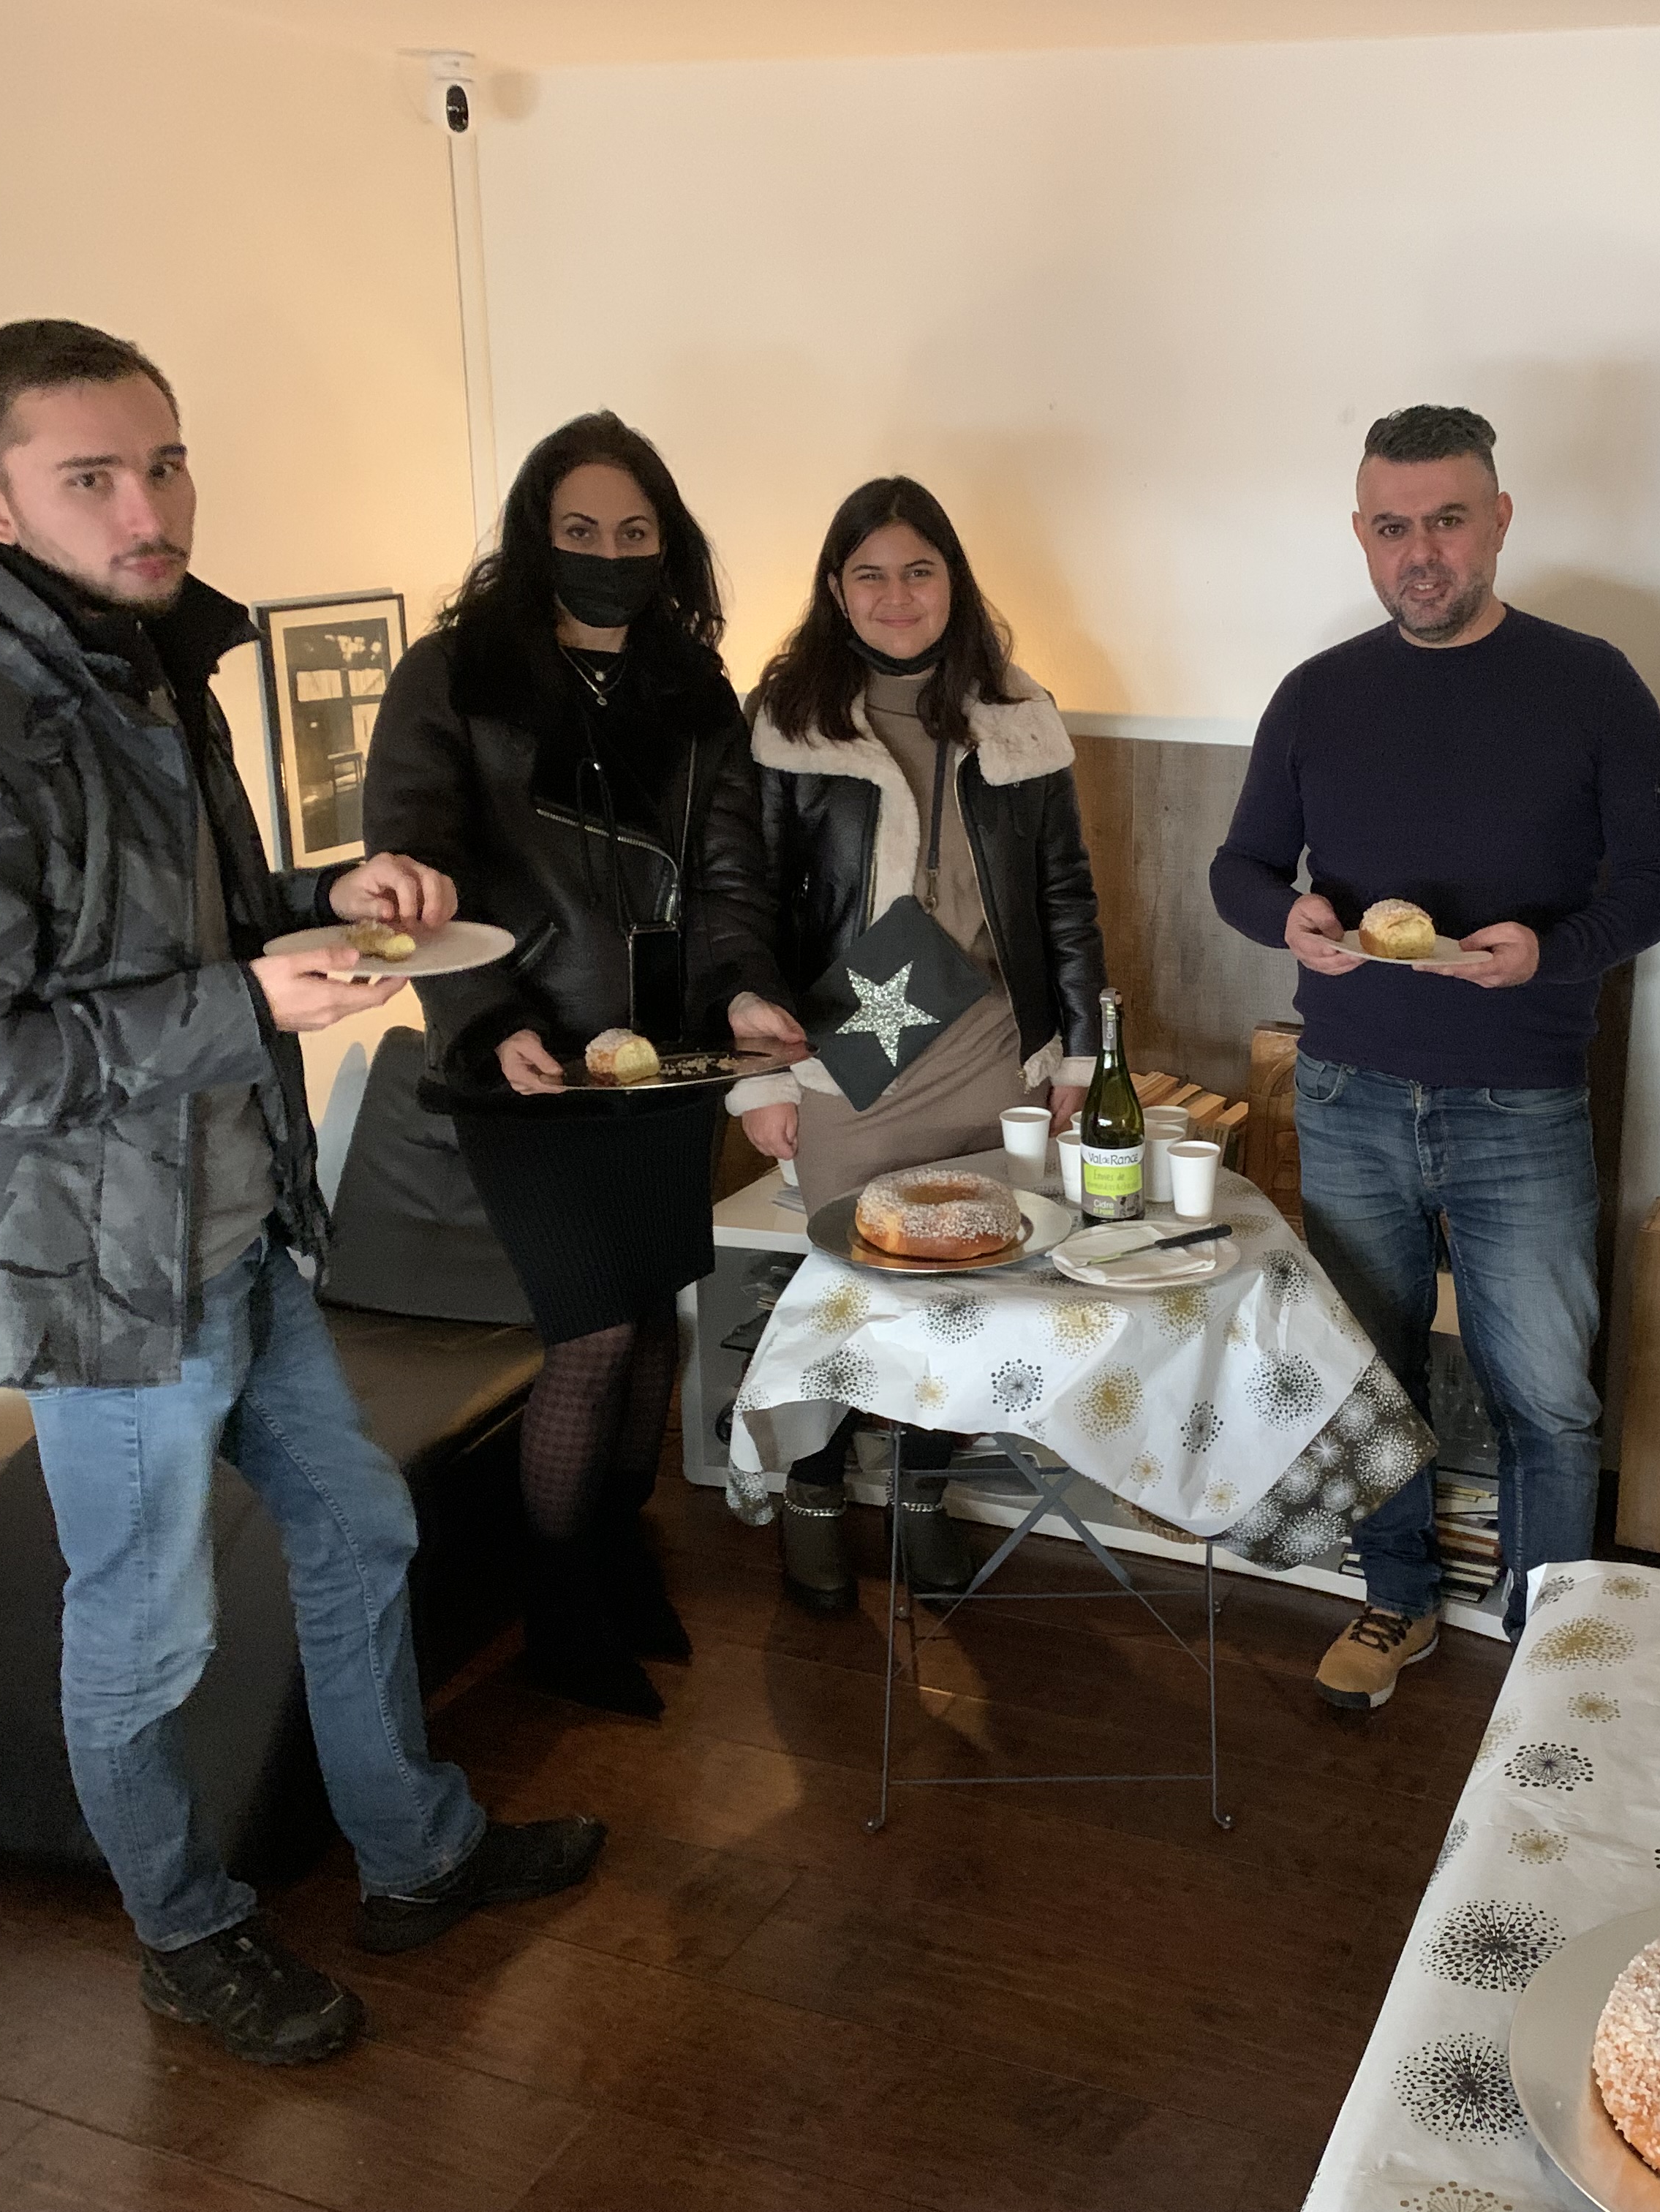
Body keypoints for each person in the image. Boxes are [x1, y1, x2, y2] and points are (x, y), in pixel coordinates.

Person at [0, 320, 602, 2067]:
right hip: (100, 1283)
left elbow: (213, 920)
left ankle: (417, 1853)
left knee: (364, 1527)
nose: (146, 504)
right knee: (147, 1631)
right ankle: (184, 1930)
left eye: (162, 461)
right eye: (91, 475)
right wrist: (244, 1004)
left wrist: (334, 889)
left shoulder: (149, 668)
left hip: (237, 1225)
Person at [1210, 404, 1660, 1706]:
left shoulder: (1593, 682)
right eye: (1392, 526)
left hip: (1521, 1101)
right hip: (1350, 1090)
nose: (1420, 551)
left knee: (1548, 1397)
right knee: (1368, 1377)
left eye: (1447, 520)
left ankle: (1548, 1643)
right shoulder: (1318, 694)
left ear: (1499, 519)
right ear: (1361, 537)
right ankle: (1396, 1604)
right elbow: (1240, 867)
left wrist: (1551, 948)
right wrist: (1290, 921)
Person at [366, 413, 796, 1719]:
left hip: (663, 1060)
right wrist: (493, 1010)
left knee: (658, 1305)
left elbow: (726, 871)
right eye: (579, 531)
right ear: (533, 536)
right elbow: (413, 864)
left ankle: (620, 1551)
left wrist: (743, 992)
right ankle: (556, 1601)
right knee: (591, 1330)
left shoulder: (693, 685)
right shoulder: (454, 673)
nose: (607, 553)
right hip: (524, 1065)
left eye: (633, 532)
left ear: (667, 543)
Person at [731, 476, 1106, 1613]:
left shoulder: (1021, 710)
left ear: (955, 577)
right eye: (871, 574)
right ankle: (812, 1492)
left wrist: (1078, 1057)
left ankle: (924, 1499)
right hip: (848, 1035)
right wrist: (758, 1076)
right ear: (837, 590)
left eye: (920, 569)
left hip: (990, 1035)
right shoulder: (788, 717)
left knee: (968, 1288)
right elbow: (740, 902)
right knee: (852, 1288)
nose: (898, 597)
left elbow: (1066, 900)